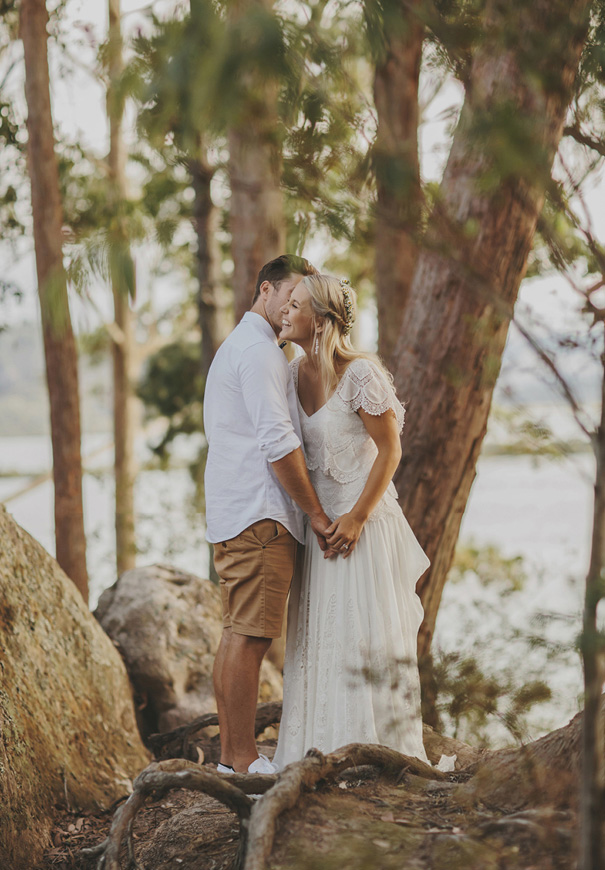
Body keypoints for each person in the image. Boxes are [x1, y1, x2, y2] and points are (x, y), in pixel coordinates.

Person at [273, 273, 430, 768]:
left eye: (294, 305)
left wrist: (357, 518)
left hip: (363, 528)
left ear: (318, 321)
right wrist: (317, 520)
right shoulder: (292, 375)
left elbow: (391, 449)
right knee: (322, 640)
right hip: (321, 536)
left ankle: (376, 752)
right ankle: (317, 748)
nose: (284, 311)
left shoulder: (361, 375)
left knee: (365, 637)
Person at [204, 254, 336, 776]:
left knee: (239, 633)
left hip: (241, 513)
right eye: (291, 297)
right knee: (250, 637)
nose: (293, 309)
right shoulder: (258, 353)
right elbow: (278, 443)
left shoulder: (243, 348)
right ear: (266, 290)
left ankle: (231, 757)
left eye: (304, 303)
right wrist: (318, 515)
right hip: (261, 517)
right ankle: (240, 759)